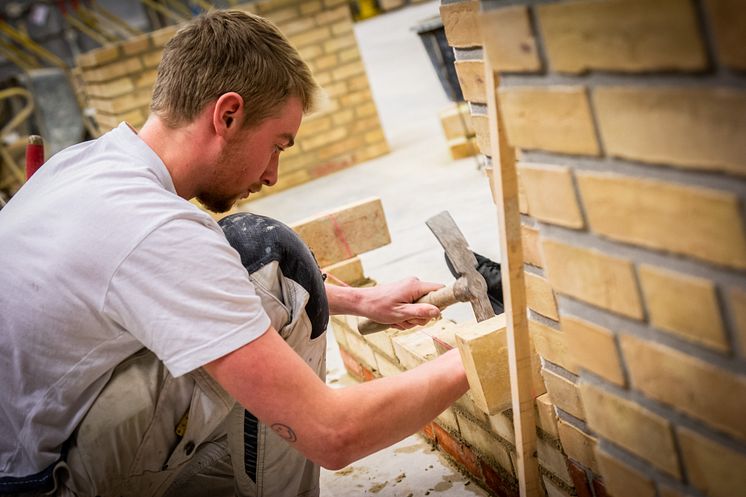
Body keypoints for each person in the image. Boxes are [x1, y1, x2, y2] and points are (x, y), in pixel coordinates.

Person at [0, 9, 470, 497]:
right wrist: (474, 358)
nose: (272, 175)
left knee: (253, 248)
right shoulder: (156, 230)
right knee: (281, 269)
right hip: (37, 485)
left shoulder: (86, 164)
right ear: (227, 115)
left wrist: (361, 302)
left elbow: (209, 269)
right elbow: (333, 434)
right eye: (277, 146)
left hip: (20, 452)